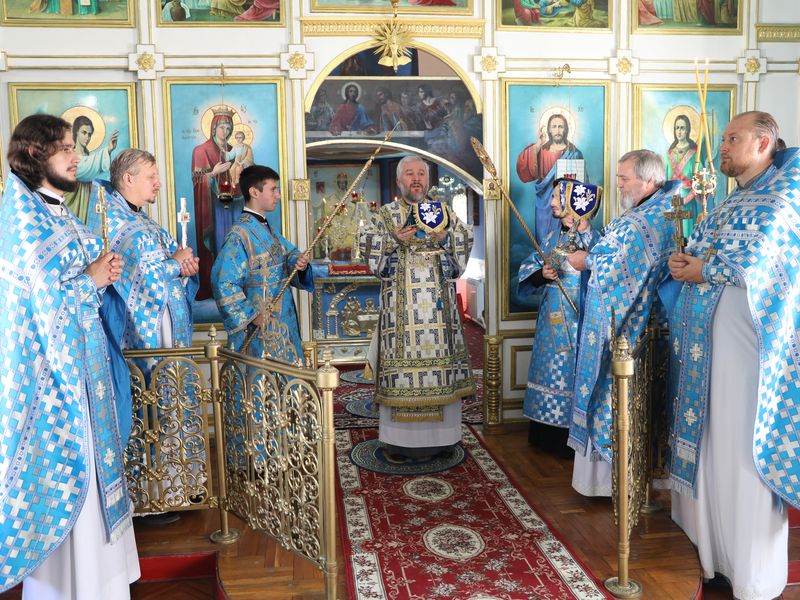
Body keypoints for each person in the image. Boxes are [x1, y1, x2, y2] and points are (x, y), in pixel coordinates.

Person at [0, 114, 139, 598]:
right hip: (54, 390)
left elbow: (87, 290)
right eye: (64, 148)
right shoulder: (21, 222)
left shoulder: (63, 215)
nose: (75, 155)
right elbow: (37, 309)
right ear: (35, 155)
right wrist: (90, 280)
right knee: (71, 492)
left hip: (89, 375)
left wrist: (106, 277)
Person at [667, 111, 798, 599]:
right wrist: (686, 262)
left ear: (763, 142)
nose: (722, 147)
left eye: (732, 139)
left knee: (742, 454)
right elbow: (704, 248)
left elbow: (765, 261)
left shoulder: (784, 194)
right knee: (714, 447)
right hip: (708, 353)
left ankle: (753, 575)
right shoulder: (731, 200)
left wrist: (706, 269)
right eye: (723, 139)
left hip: (751, 357)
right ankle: (715, 556)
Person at [566, 150, 680, 496]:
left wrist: (586, 261)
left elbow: (618, 271)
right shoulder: (657, 211)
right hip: (643, 327)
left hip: (628, 332)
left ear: (649, 180)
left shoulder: (644, 220)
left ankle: (607, 484)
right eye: (618, 177)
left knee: (611, 398)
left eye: (624, 178)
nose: (618, 184)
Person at [359, 155, 474, 461]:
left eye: (420, 173)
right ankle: (399, 443)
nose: (416, 178)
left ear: (427, 179)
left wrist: (447, 237)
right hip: (400, 317)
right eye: (409, 173)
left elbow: (464, 243)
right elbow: (368, 248)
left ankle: (443, 440)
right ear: (399, 181)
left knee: (441, 374)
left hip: (439, 316)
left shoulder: (444, 213)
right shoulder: (385, 216)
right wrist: (393, 239)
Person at [517, 179, 597, 457]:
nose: (551, 202)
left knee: (571, 374)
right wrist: (542, 275)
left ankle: (569, 437)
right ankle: (545, 435)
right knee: (548, 372)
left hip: (578, 318)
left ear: (575, 202)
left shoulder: (595, 241)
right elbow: (532, 265)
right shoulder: (553, 238)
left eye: (556, 197)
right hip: (549, 322)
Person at [211, 164, 313, 364]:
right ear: (254, 192)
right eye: (273, 189)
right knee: (259, 385)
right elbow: (222, 281)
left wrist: (298, 262)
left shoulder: (267, 228)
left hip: (283, 323)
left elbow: (287, 255)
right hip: (260, 327)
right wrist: (250, 315)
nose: (278, 195)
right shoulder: (239, 235)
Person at [517, 113, 585, 245]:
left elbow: (581, 183)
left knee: (565, 236)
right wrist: (537, 145)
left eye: (561, 127)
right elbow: (523, 170)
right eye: (554, 127)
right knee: (544, 237)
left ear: (566, 129)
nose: (558, 130)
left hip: (565, 203)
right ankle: (545, 262)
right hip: (544, 202)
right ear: (548, 129)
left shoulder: (574, 153)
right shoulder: (541, 150)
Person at [191, 106, 234, 300]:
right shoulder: (201, 150)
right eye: (222, 126)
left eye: (228, 127)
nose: (225, 131)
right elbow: (197, 178)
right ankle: (213, 286)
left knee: (231, 246)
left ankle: (232, 285)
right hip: (213, 210)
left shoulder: (234, 151)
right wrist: (213, 174)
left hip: (231, 208)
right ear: (213, 127)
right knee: (216, 244)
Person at [65, 114, 119, 222]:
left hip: (88, 200)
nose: (87, 137)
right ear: (76, 132)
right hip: (72, 201)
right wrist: (107, 150)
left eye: (89, 134)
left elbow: (91, 167)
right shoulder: (70, 154)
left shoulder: (88, 156)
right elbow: (82, 170)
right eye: (84, 133)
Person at [665, 114, 699, 233]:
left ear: (687, 130)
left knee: (687, 234)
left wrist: (688, 197)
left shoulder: (695, 153)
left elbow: (700, 179)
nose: (679, 131)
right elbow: (665, 180)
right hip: (672, 201)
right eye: (677, 128)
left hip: (688, 200)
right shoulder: (669, 154)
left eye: (682, 128)